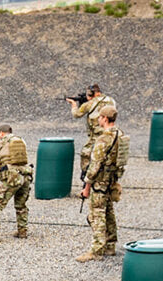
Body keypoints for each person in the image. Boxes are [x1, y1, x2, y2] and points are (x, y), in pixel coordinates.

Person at [77, 106, 123, 263]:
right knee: (109, 211)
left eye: (100, 117)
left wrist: (87, 186)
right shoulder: (120, 135)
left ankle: (96, 250)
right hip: (111, 179)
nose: (97, 119)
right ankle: (110, 245)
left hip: (100, 181)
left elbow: (95, 165)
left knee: (97, 214)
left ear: (105, 118)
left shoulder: (103, 138)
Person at [68, 83, 117, 176]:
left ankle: (86, 177)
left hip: (96, 136)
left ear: (91, 94)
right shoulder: (111, 100)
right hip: (111, 133)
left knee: (86, 154)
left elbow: (77, 114)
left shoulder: (91, 103)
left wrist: (74, 105)